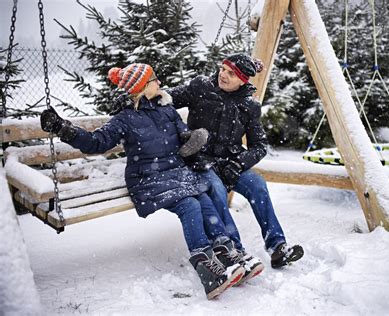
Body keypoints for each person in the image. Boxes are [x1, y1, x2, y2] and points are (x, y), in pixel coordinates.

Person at [39, 63, 263, 300]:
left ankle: (225, 251)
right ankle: (206, 267)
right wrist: (63, 129)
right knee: (190, 206)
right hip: (148, 178)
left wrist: (193, 141)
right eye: (154, 79)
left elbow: (182, 133)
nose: (159, 83)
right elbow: (97, 142)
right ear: (142, 87)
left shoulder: (165, 109)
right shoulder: (125, 118)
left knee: (205, 198)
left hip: (174, 173)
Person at [169, 53, 304, 268]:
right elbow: (167, 99)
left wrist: (239, 163)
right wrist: (142, 96)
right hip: (200, 160)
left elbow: (259, 146)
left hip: (230, 162)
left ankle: (277, 246)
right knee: (218, 191)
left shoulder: (249, 106)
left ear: (243, 80)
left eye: (231, 73)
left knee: (258, 185)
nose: (223, 74)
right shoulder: (201, 87)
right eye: (223, 68)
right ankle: (235, 250)